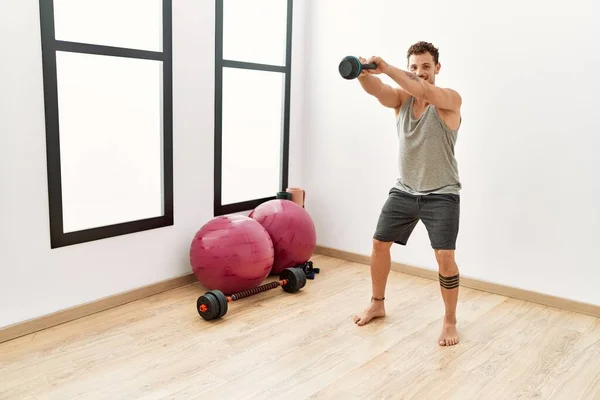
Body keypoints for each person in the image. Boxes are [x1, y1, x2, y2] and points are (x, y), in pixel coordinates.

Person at [352, 41, 463, 347]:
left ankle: (450, 320)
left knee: (444, 257)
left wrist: (387, 68)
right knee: (379, 244)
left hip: (442, 193)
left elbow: (424, 92)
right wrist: (363, 72)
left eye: (426, 66)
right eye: (413, 67)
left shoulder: (449, 100)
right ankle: (377, 302)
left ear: (437, 68)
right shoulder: (401, 100)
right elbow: (378, 90)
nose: (419, 72)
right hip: (405, 189)